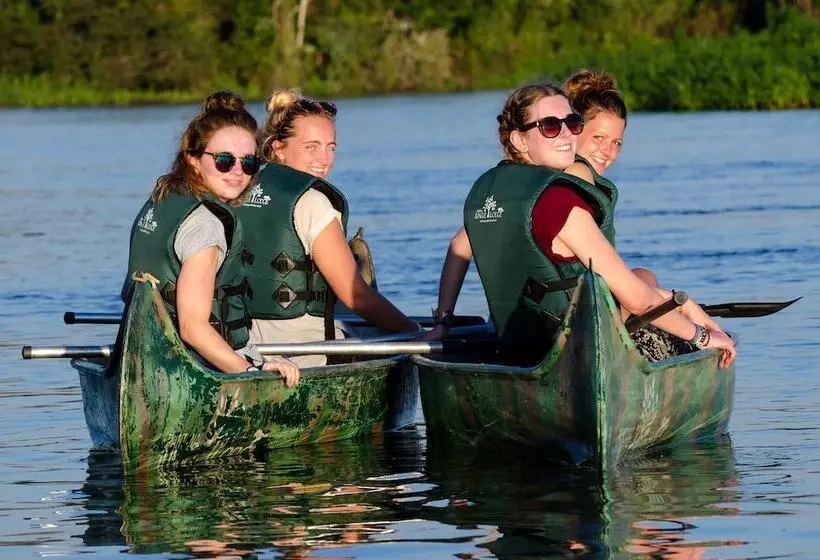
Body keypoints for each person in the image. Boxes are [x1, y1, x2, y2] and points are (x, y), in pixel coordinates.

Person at [433, 83, 736, 368]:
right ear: (518, 139)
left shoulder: (494, 193)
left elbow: (458, 247)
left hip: (516, 344)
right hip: (571, 350)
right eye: (551, 126)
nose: (566, 135)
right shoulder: (560, 203)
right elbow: (638, 299)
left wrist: (443, 323)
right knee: (645, 284)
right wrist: (702, 336)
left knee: (645, 278)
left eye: (572, 123)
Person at [121, 91, 300, 385]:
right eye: (224, 160)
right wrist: (252, 374)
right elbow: (192, 328)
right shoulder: (206, 225)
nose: (238, 172)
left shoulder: (164, 198)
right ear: (193, 159)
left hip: (148, 358)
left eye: (250, 163)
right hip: (194, 366)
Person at [235, 89, 418, 367]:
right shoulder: (312, 202)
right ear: (278, 148)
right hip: (305, 352)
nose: (325, 158)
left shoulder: (239, 189)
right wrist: (415, 333)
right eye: (311, 147)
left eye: (330, 146)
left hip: (244, 346)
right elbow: (355, 296)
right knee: (393, 345)